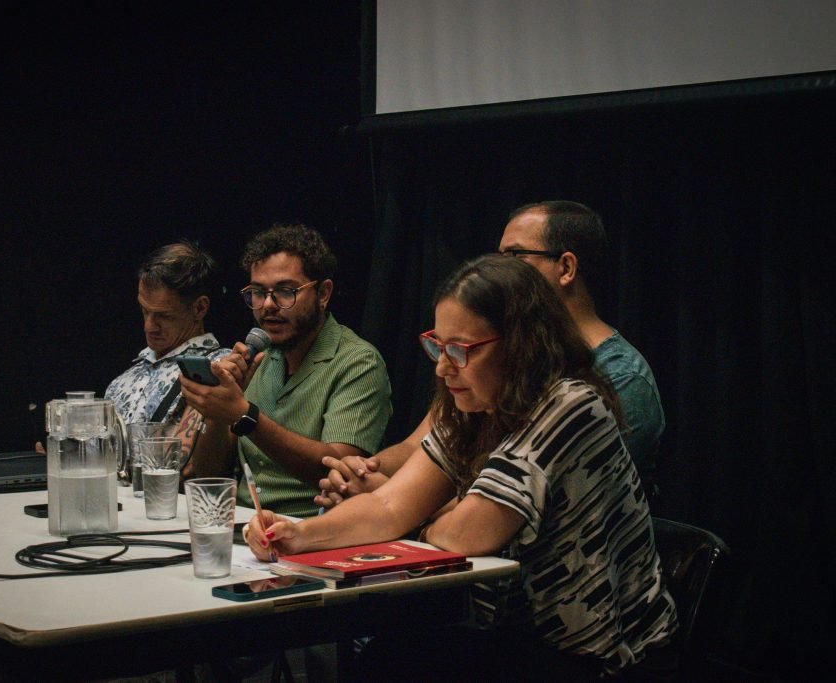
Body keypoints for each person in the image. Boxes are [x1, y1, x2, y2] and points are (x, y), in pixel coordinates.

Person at [246, 254, 678, 681]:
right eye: (437, 345)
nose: (442, 365)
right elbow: (387, 505)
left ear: (520, 345)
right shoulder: (474, 408)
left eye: (459, 350)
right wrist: (295, 534)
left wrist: (427, 515)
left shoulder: (569, 404)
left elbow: (467, 533)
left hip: (600, 656)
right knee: (389, 657)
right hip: (515, 637)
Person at [318, 200, 665, 507]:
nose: (498, 269)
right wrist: (361, 474)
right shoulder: (505, 358)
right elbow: (418, 447)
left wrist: (391, 500)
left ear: (566, 268)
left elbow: (524, 505)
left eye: (514, 256)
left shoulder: (618, 377)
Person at [181, 223, 392, 518]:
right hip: (245, 522)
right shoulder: (260, 356)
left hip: (313, 527)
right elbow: (207, 472)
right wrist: (219, 412)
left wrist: (245, 415)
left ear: (323, 293)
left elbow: (342, 471)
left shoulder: (358, 362)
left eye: (285, 291)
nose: (268, 305)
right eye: (257, 292)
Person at [103, 241, 230, 474]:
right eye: (144, 311)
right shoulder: (123, 381)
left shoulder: (221, 369)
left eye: (163, 316)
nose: (149, 326)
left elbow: (191, 470)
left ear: (200, 308)